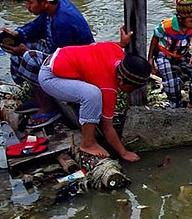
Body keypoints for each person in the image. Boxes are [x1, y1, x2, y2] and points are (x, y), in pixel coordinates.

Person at [37, 26, 148, 162]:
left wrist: (122, 43)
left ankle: (87, 125)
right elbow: (107, 127)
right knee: (92, 94)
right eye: (132, 88)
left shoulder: (117, 51)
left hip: (57, 57)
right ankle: (88, 143)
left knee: (91, 93)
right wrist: (124, 153)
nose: (132, 92)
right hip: (50, 77)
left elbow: (101, 45)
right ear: (120, 80)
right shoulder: (108, 88)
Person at [0, 0, 95, 127]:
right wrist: (17, 34)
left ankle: (48, 105)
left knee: (28, 56)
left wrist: (24, 51)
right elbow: (36, 27)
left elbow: (61, 62)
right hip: (59, 54)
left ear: (44, 3)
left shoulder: (64, 22)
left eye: (30, 3)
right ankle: (39, 98)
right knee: (21, 47)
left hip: (77, 67)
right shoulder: (52, 8)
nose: (27, 7)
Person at [148, 0, 192, 110]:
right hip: (164, 55)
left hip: (182, 54)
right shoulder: (167, 26)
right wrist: (150, 58)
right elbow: (155, 37)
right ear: (181, 18)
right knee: (171, 81)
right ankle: (175, 104)